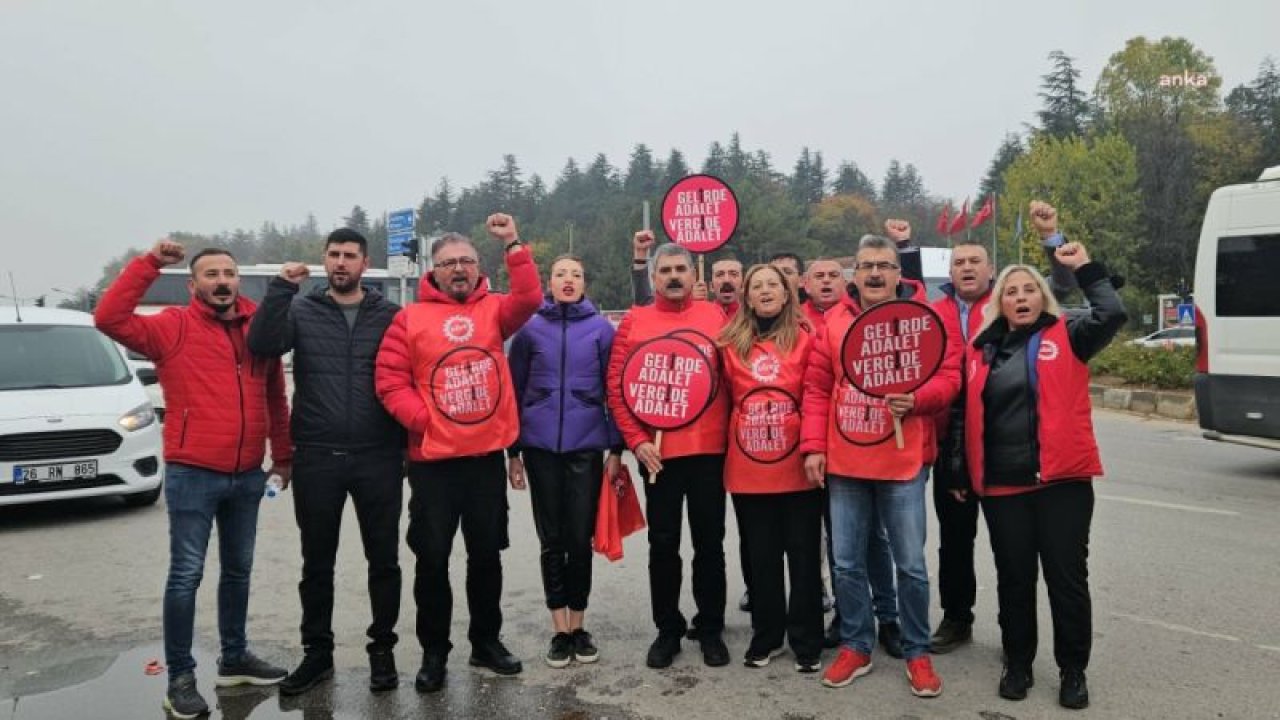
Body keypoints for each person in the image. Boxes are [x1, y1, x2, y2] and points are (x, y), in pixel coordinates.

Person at [95, 240, 291, 719]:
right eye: (211, 275)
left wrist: (283, 459)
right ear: (194, 284)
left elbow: (275, 397)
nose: (222, 281)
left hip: (247, 474)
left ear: (237, 279)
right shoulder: (173, 327)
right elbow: (109, 319)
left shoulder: (258, 330)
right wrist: (149, 264)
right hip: (193, 474)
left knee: (239, 571)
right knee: (186, 576)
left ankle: (235, 657)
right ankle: (180, 678)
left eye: (229, 273)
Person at [964, 203, 1126, 710]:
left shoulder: (1069, 337)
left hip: (1062, 485)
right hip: (1003, 488)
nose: (1020, 297)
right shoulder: (981, 350)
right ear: (999, 303)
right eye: (1010, 291)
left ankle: (1072, 670)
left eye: (1029, 288)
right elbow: (965, 419)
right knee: (1014, 581)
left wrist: (1076, 262)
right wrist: (962, 473)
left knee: (1066, 581)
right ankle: (1017, 663)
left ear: (1043, 296)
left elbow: (1112, 312)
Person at [375, 214, 542, 693]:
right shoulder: (407, 318)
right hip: (432, 466)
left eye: (467, 260)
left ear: (478, 266)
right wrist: (428, 421)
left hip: (484, 461)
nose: (459, 269)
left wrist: (513, 242)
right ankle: (434, 652)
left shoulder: (494, 309)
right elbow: (389, 382)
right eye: (449, 263)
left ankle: (486, 642)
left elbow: (530, 298)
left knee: (486, 557)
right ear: (433, 269)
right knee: (432, 561)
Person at [246, 228, 406, 695]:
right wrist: (280, 289)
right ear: (324, 260)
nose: (341, 263)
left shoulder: (391, 316)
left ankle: (382, 651)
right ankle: (317, 655)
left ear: (365, 262)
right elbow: (262, 344)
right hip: (318, 456)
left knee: (385, 562)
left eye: (349, 256)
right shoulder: (300, 309)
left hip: (378, 456)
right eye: (333, 255)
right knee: (317, 563)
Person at [801, 234, 960, 697]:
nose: (874, 273)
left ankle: (916, 651)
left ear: (897, 273)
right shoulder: (833, 324)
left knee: (910, 564)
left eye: (883, 265)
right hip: (846, 463)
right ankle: (856, 644)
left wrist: (918, 399)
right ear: (855, 273)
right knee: (847, 562)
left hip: (903, 462)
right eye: (866, 265)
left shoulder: (925, 319)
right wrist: (814, 447)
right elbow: (815, 389)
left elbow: (949, 378)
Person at [607, 241, 732, 669]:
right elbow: (617, 387)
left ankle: (711, 627)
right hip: (658, 454)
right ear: (654, 277)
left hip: (709, 451)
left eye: (681, 269)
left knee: (710, 544)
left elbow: (735, 378)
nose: (675, 276)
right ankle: (667, 629)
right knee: (663, 545)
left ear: (695, 275)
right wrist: (637, 441)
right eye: (666, 271)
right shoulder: (635, 321)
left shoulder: (717, 316)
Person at [506, 254, 624, 668]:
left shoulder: (600, 330)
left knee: (579, 540)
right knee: (551, 540)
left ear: (585, 282)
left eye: (576, 274)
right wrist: (514, 451)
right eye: (561, 275)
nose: (569, 280)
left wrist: (616, 449)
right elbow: (514, 390)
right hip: (539, 448)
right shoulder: (528, 329)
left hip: (586, 446)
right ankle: (559, 630)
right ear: (549, 282)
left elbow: (615, 390)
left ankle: (579, 623)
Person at [717, 264, 824, 673]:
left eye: (772, 285)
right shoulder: (728, 344)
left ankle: (807, 641)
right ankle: (767, 635)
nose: (765, 291)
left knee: (803, 557)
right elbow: (723, 398)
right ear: (746, 296)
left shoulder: (807, 339)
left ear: (787, 293)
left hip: (798, 465)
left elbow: (816, 394)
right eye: (756, 285)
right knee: (760, 558)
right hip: (749, 466)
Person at [802, 257, 903, 657]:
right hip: (830, 448)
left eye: (833, 275)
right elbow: (816, 388)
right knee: (842, 544)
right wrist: (814, 446)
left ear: (846, 281)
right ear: (805, 284)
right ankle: (847, 615)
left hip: (882, 446)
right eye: (818, 276)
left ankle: (889, 617)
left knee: (876, 539)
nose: (826, 282)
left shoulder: (881, 312)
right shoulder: (804, 319)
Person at [926, 240, 995, 654]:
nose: (966, 268)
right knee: (954, 539)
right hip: (950, 439)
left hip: (1001, 440)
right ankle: (956, 618)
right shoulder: (937, 312)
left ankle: (1015, 626)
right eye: (959, 263)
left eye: (974, 261)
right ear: (949, 273)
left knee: (1011, 545)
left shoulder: (1006, 305)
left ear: (991, 269)